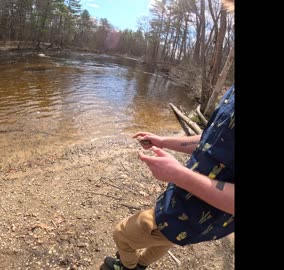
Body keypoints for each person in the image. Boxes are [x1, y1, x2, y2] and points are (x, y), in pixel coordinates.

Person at [101, 2, 234, 269]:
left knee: (122, 235)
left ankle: (125, 267)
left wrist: (177, 174)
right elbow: (212, 140)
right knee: (166, 238)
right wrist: (163, 141)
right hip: (183, 205)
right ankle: (140, 266)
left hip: (199, 216)